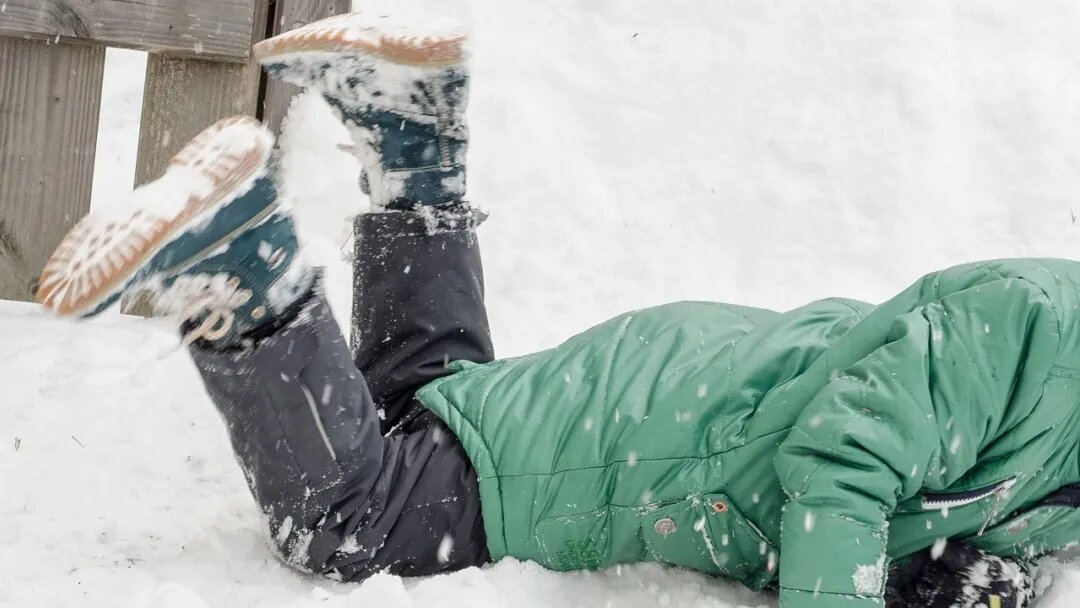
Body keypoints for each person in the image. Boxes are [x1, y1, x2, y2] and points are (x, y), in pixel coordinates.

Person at [34, 11, 1080, 608]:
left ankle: (413, 142)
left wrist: (967, 578)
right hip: (656, 443)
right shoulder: (1027, 325)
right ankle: (241, 262)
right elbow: (843, 466)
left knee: (427, 407)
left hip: (695, 390)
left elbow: (964, 504)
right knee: (350, 525)